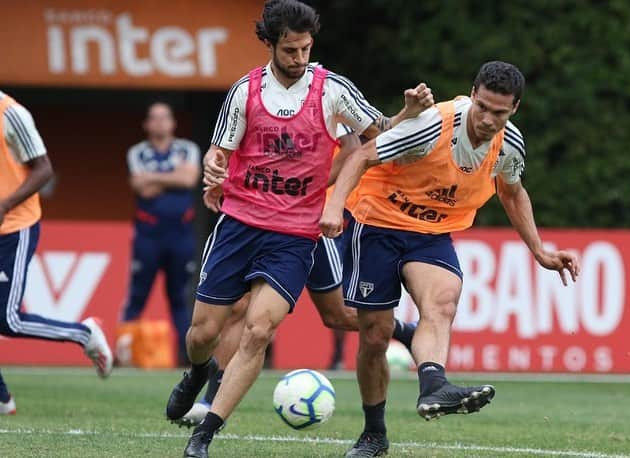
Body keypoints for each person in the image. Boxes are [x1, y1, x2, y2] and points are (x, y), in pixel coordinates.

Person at [163, 1, 432, 456]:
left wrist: (406, 114)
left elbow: (377, 132)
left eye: (306, 48)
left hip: (294, 235)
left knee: (258, 331)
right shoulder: (244, 92)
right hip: (239, 225)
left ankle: (203, 434)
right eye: (290, 49)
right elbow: (218, 153)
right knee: (202, 334)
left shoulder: (333, 90)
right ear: (270, 44)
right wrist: (213, 169)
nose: (300, 58)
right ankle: (196, 372)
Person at [320, 61, 581, 456]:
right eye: (483, 107)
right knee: (374, 335)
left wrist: (540, 251)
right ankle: (374, 433)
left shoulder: (509, 142)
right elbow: (361, 158)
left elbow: (512, 192)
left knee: (442, 301)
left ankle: (434, 385)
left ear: (515, 109)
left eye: (500, 112)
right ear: (472, 94)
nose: (489, 120)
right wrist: (334, 208)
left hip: (430, 234)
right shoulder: (432, 125)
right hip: (377, 222)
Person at [175, 126, 417, 427]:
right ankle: (212, 401)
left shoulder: (328, 96)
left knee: (337, 315)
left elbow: (370, 135)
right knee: (239, 308)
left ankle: (402, 330)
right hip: (262, 222)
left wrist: (323, 196)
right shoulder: (262, 97)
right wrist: (229, 183)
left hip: (310, 224)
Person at [0, 90, 113, 414]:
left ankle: (84, 334)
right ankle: (2, 398)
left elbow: (44, 169)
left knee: (6, 319)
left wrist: (5, 203)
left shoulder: (11, 114)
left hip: (14, 226)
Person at [121, 102, 201, 366]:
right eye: (153, 118)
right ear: (146, 124)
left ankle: (187, 356)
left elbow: (189, 180)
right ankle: (123, 354)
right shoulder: (137, 152)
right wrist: (171, 176)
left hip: (180, 234)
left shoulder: (187, 148)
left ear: (172, 122)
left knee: (180, 296)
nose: (159, 123)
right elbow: (139, 187)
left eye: (164, 118)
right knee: (137, 295)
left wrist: (154, 178)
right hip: (148, 234)